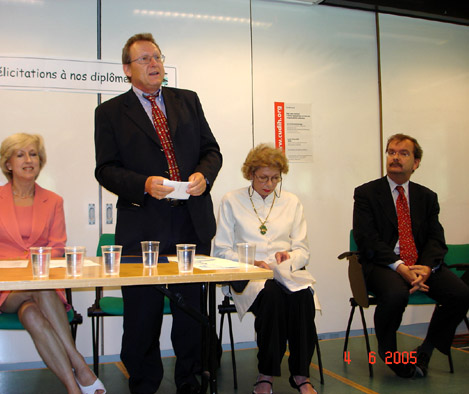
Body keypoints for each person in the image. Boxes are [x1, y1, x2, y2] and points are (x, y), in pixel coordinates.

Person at [94, 33, 222, 394]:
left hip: (191, 222)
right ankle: (145, 384)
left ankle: (191, 381)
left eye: (158, 57)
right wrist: (143, 183)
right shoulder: (110, 112)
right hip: (142, 225)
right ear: (126, 69)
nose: (154, 64)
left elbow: (212, 151)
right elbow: (105, 169)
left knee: (191, 314)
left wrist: (203, 175)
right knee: (142, 315)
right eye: (144, 59)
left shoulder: (188, 101)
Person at [0, 133, 105, 394]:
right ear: (8, 163)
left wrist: (33, 271)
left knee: (31, 312)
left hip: (42, 284)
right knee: (40, 290)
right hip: (2, 288)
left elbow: (57, 248)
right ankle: (80, 364)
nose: (28, 160)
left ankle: (72, 387)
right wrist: (21, 270)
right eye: (20, 154)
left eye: (33, 154)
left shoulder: (53, 201)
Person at [353, 133, 469, 378]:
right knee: (395, 294)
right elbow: (367, 239)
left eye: (403, 153)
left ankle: (424, 351)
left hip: (420, 264)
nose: (395, 158)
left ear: (415, 163)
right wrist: (399, 266)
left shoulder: (427, 197)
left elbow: (436, 239)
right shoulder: (366, 193)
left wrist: (426, 268)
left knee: (460, 293)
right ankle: (390, 355)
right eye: (392, 152)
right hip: (383, 264)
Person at [214, 144, 318, 394]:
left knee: (303, 297)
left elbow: (303, 249)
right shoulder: (231, 200)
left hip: (285, 273)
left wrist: (289, 256)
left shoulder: (291, 202)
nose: (269, 184)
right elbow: (221, 251)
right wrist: (250, 262)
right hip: (248, 277)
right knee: (272, 297)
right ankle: (266, 374)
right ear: (250, 174)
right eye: (263, 177)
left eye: (275, 178)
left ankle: (301, 373)